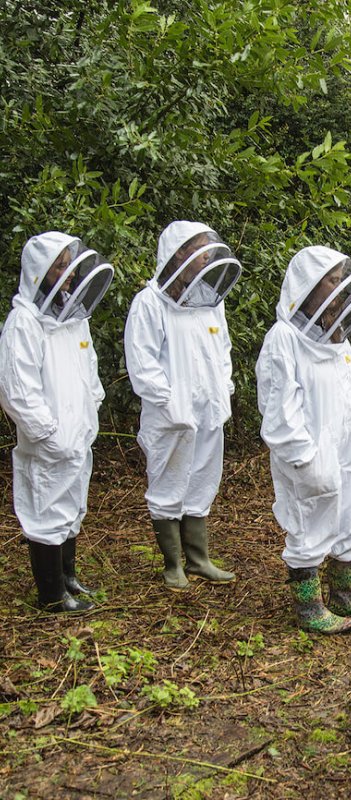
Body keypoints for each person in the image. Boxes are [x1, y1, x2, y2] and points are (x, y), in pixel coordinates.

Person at [256, 245, 351, 634]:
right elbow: (279, 409)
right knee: (309, 525)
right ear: (310, 286)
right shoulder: (284, 338)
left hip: (346, 452)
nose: (340, 289)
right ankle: (308, 607)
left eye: (341, 280)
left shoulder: (337, 337)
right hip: (309, 454)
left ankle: (345, 596)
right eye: (332, 280)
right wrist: (304, 458)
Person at [0, 232, 114, 612]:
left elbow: (89, 367)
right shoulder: (24, 323)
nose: (68, 273)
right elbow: (17, 387)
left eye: (70, 265)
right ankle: (50, 596)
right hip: (48, 439)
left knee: (71, 505)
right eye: (60, 266)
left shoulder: (73, 314)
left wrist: (92, 405)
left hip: (78, 432)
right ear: (41, 272)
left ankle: (67, 578)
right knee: (46, 509)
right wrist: (47, 432)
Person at [124, 221, 241, 590]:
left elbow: (222, 351)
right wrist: (170, 403)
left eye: (209, 248)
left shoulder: (210, 299)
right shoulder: (149, 304)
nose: (207, 255)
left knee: (203, 478)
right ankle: (173, 564)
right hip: (169, 416)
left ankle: (199, 559)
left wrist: (223, 390)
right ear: (178, 255)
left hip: (208, 410)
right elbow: (142, 364)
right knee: (168, 482)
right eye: (199, 249)